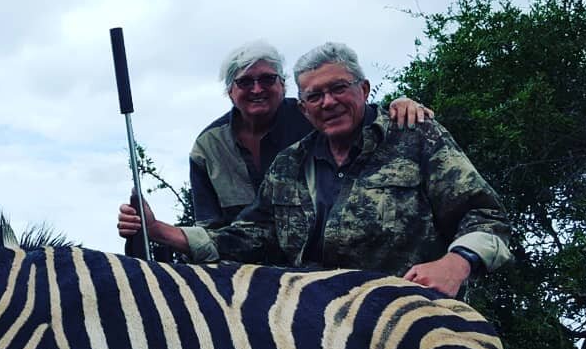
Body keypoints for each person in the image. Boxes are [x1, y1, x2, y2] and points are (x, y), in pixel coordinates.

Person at [119, 42, 510, 297]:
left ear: (365, 90)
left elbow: (487, 217)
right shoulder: (288, 164)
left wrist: (456, 262)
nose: (329, 102)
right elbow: (250, 237)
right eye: (315, 96)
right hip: (313, 327)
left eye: (339, 88)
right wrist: (161, 232)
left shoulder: (414, 135)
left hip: (410, 314)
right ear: (303, 106)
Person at [189, 40, 432, 229]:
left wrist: (400, 103)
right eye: (244, 82)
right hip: (241, 270)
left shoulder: (314, 116)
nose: (257, 89)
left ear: (283, 85)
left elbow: (358, 112)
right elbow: (210, 228)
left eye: (267, 79)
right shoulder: (208, 147)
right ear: (230, 91)